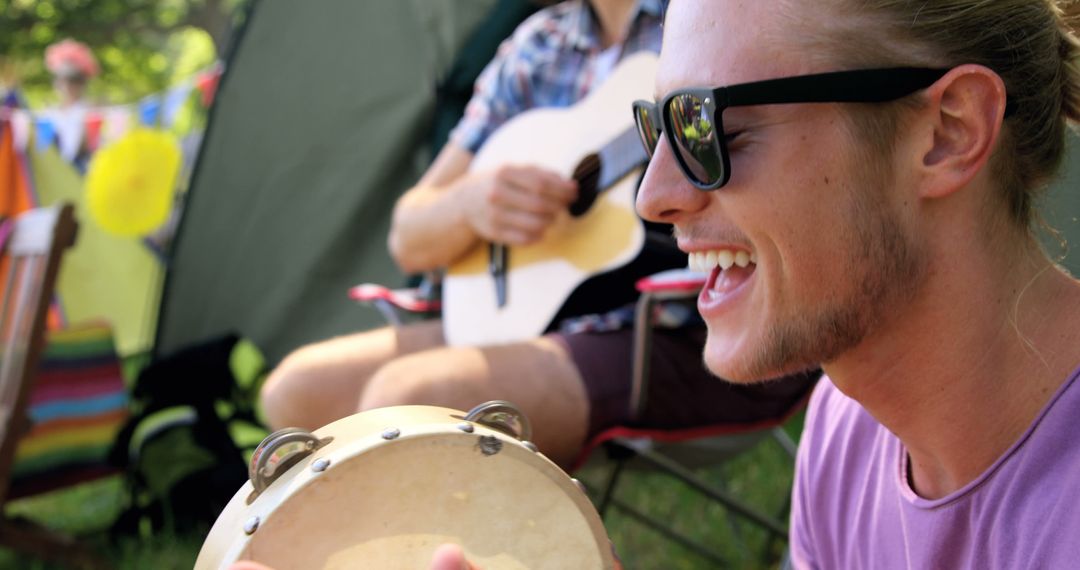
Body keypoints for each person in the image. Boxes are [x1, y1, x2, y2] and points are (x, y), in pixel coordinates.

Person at [259, 0, 816, 469]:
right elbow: (409, 233)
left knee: (407, 403)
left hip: (671, 330)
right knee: (295, 393)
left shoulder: (712, 16)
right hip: (521, 315)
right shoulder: (535, 46)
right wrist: (471, 203)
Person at [630, 0, 1080, 567]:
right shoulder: (846, 431)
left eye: (710, 129)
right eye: (658, 128)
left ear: (949, 132)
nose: (654, 197)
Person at [42, 38, 99, 168]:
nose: (67, 86)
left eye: (74, 80)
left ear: (82, 83)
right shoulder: (48, 113)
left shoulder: (91, 111)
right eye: (63, 79)